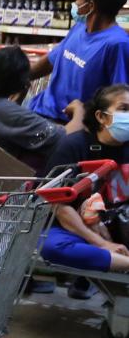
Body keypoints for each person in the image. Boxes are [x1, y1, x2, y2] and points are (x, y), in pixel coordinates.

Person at [40, 83, 129, 275]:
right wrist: (102, 243)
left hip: (118, 226)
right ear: (101, 116)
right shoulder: (74, 145)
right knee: (53, 247)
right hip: (72, 229)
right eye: (124, 109)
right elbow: (58, 205)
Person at [29, 0, 129, 124]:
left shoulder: (117, 44)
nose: (74, 4)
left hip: (67, 127)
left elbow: (121, 100)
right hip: (38, 111)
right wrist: (16, 78)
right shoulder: (79, 28)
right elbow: (50, 60)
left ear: (91, 5)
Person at [0, 45, 71, 171]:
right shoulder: (8, 112)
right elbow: (62, 137)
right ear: (23, 83)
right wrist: (79, 112)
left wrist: (16, 102)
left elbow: (0, 117)